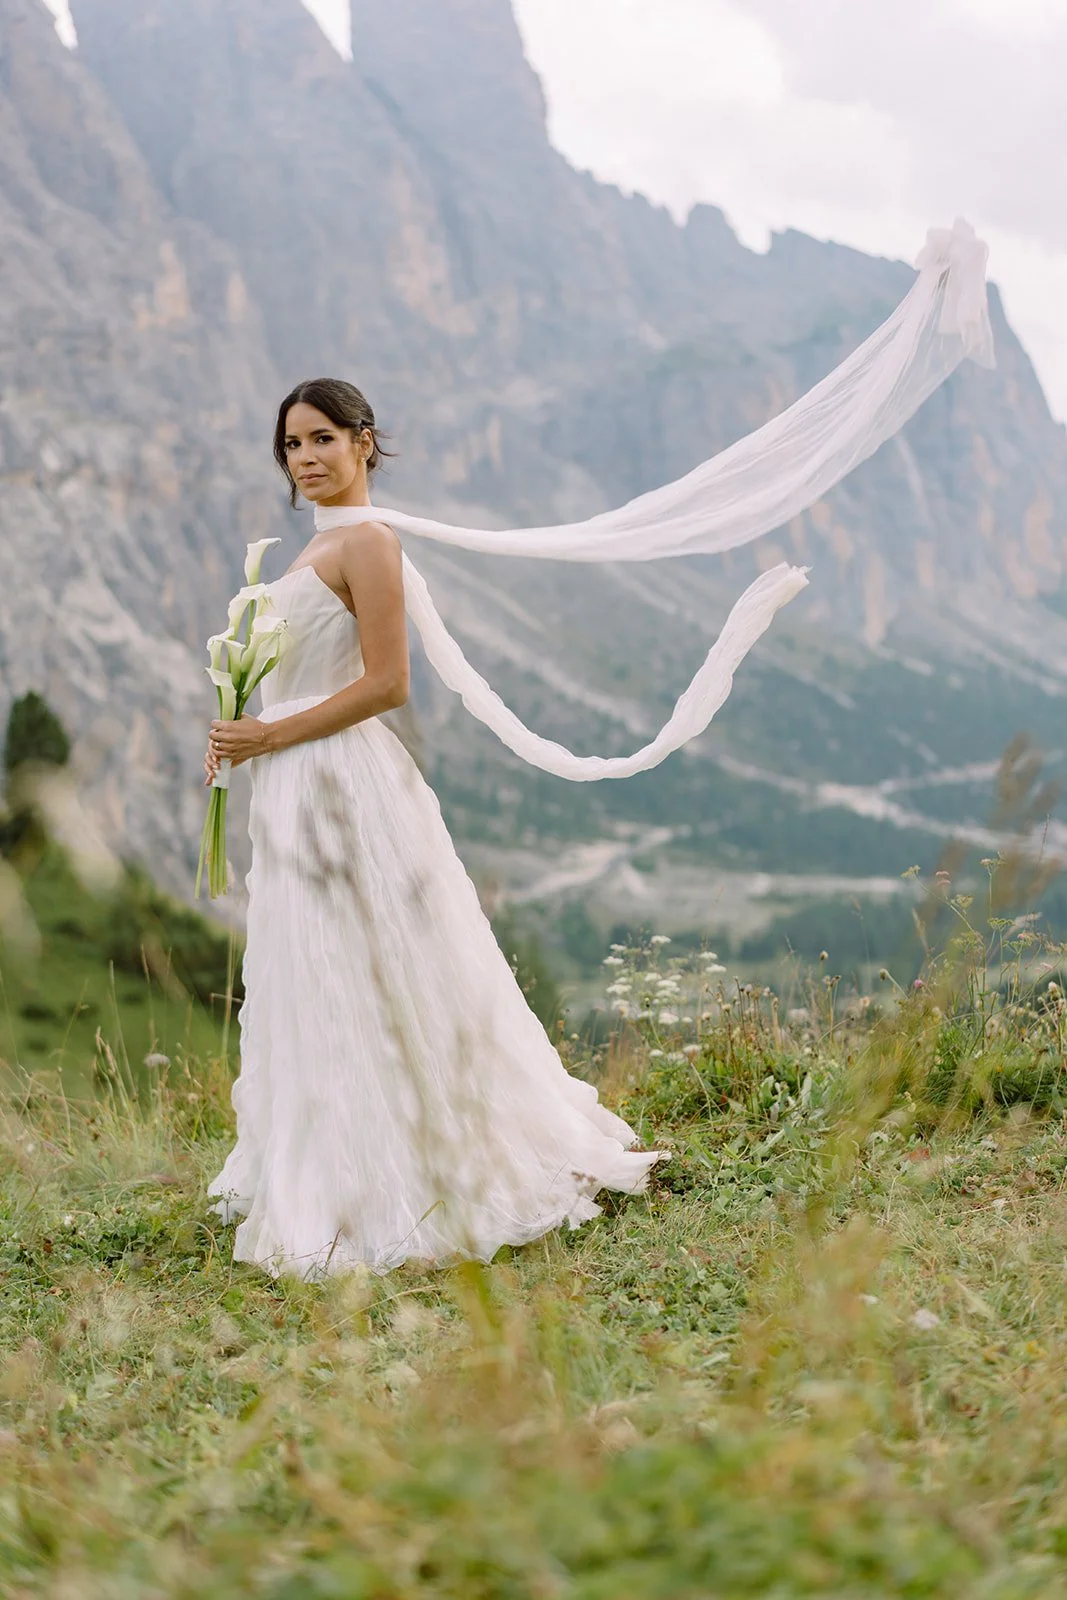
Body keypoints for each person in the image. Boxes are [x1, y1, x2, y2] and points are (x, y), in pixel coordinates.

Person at [204, 379, 665, 1278]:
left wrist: (270, 732)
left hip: (346, 780)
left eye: (322, 438)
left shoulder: (369, 542)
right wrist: (243, 734)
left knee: (380, 963)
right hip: (291, 781)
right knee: (316, 970)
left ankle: (422, 1169)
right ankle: (331, 1168)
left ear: (364, 443)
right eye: (290, 445)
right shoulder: (314, 550)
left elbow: (387, 683)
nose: (304, 458)